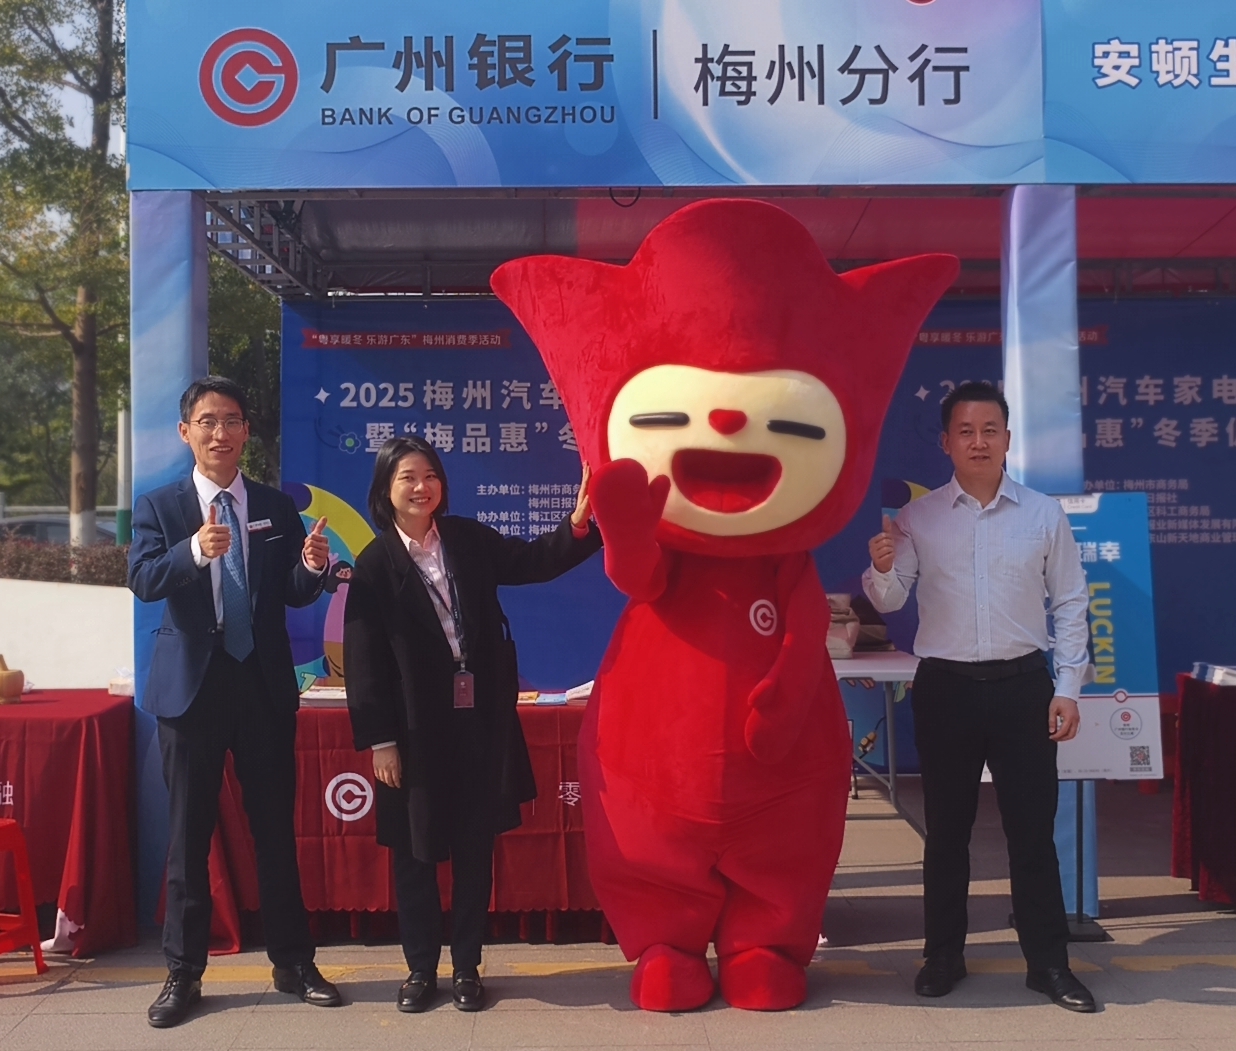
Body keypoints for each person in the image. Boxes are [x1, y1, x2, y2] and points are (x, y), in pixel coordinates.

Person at [343, 436, 601, 1013]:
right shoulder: (375, 564)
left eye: (430, 475)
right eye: (408, 477)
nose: (422, 487)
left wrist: (578, 524)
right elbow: (363, 663)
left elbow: (533, 562)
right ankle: (419, 970)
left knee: (473, 850)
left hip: (477, 724)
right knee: (415, 854)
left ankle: (465, 967)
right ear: (386, 490)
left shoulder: (466, 539)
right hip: (414, 732)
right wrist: (381, 742)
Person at [861, 381, 1096, 1013]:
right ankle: (943, 957)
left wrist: (1068, 688)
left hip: (1024, 687)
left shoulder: (1043, 515)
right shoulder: (918, 518)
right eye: (965, 431)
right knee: (946, 834)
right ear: (945, 442)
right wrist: (881, 567)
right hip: (946, 689)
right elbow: (892, 598)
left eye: (990, 430)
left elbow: (1071, 602)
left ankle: (1048, 964)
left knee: (1032, 834)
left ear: (1008, 439)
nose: (979, 442)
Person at [129, 376, 342, 1028]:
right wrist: (195, 550)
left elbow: (293, 592)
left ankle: (293, 963)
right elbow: (143, 578)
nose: (220, 432)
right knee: (188, 836)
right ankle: (183, 973)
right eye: (207, 421)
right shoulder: (160, 506)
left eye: (231, 420)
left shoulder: (274, 506)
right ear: (186, 432)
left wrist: (312, 566)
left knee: (275, 830)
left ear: (247, 431)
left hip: (262, 686)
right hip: (192, 690)